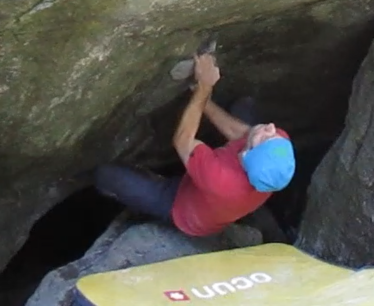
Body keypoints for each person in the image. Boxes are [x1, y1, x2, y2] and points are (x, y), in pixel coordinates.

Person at [94, 52, 296, 237]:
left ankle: (119, 200)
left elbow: (183, 140)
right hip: (215, 190)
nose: (270, 128)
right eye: (272, 136)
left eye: (264, 138)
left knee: (106, 174)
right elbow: (241, 133)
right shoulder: (277, 149)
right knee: (245, 108)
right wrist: (201, 97)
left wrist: (204, 87)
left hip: (182, 206)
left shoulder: (221, 180)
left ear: (245, 156)